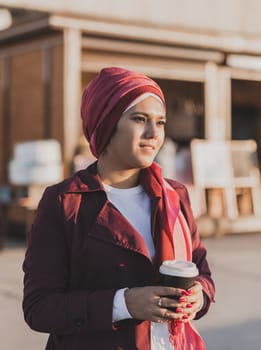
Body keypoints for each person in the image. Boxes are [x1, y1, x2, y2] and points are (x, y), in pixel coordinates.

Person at [22, 67, 215, 350]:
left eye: (160, 122)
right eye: (139, 119)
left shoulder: (174, 196)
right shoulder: (65, 202)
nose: (154, 133)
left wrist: (200, 296)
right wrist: (124, 303)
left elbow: (202, 272)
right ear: (106, 122)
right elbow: (39, 308)